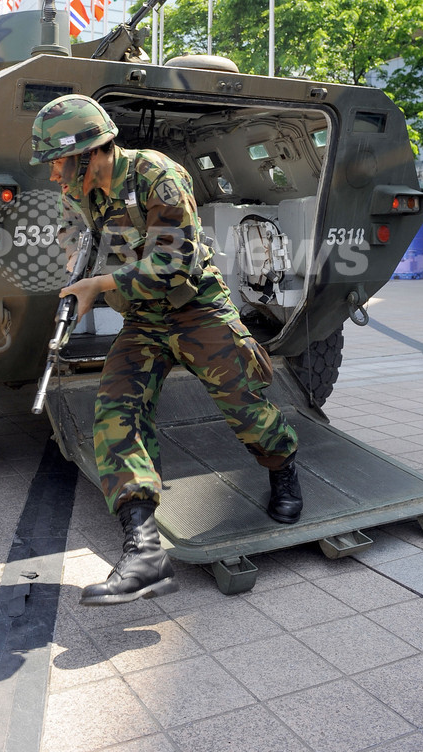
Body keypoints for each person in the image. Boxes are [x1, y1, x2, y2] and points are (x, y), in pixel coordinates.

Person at [30, 95, 302, 606]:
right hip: (144, 318)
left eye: (58, 161)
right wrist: (77, 281)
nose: (52, 174)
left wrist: (99, 286)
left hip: (197, 307)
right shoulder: (78, 194)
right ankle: (145, 551)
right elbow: (76, 244)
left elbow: (173, 265)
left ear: (89, 153)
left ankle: (282, 466)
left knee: (243, 405)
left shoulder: (157, 176)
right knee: (115, 411)